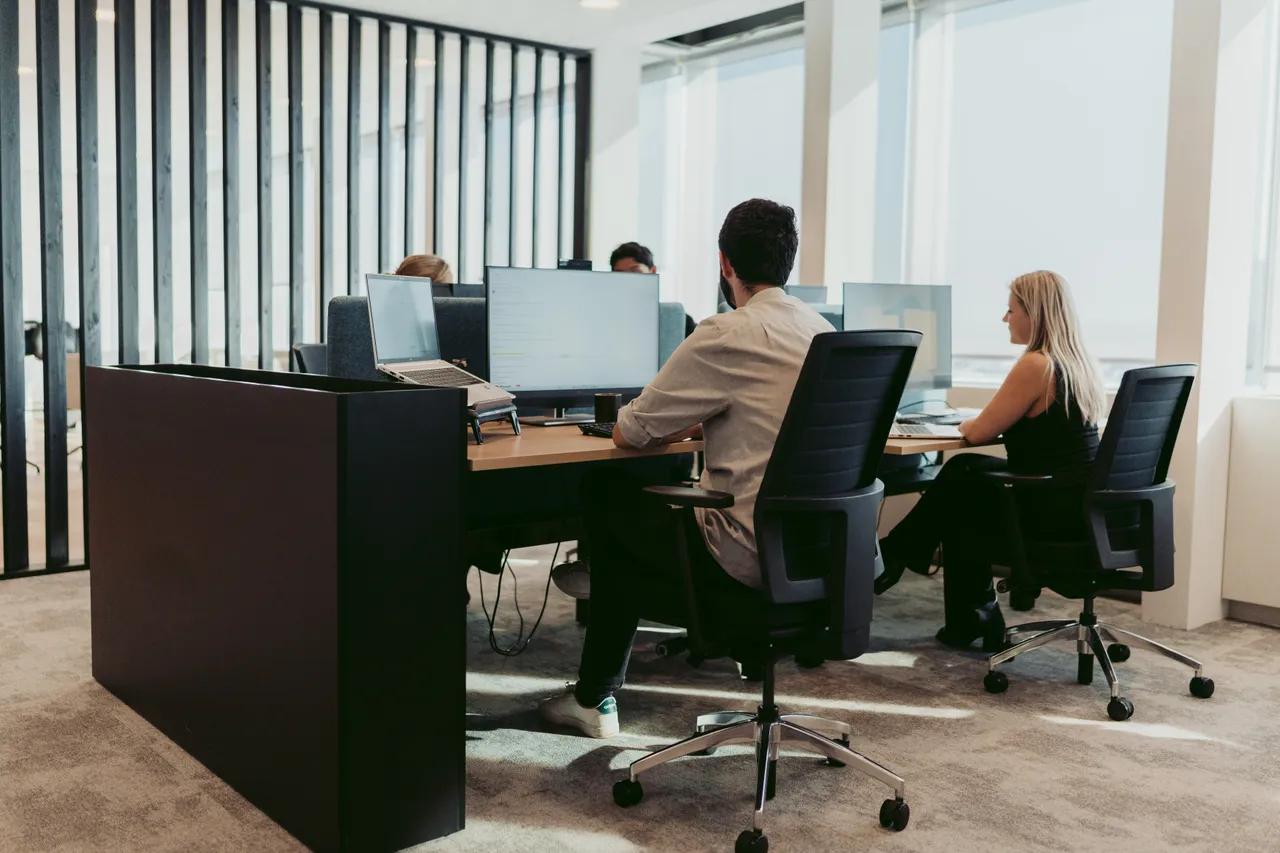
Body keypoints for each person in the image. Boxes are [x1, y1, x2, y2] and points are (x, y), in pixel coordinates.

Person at [539, 199, 834, 738]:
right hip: (821, 551)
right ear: (787, 261)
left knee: (609, 492)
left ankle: (594, 694)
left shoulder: (725, 333)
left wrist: (681, 421)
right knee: (636, 523)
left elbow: (631, 431)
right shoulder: (822, 332)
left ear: (726, 264)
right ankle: (598, 675)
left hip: (742, 556)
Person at [874, 270, 1105, 651]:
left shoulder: (1037, 364)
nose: (1005, 318)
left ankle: (895, 555)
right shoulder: (1078, 363)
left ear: (1034, 313)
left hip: (1051, 510)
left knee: (961, 479)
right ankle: (964, 619)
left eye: (1011, 309)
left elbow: (978, 431)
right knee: (965, 479)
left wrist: (965, 420)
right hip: (1077, 505)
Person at [610, 242, 697, 338]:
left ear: (653, 271)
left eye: (635, 272)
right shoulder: (608, 320)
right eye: (620, 275)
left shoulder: (678, 321)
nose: (628, 280)